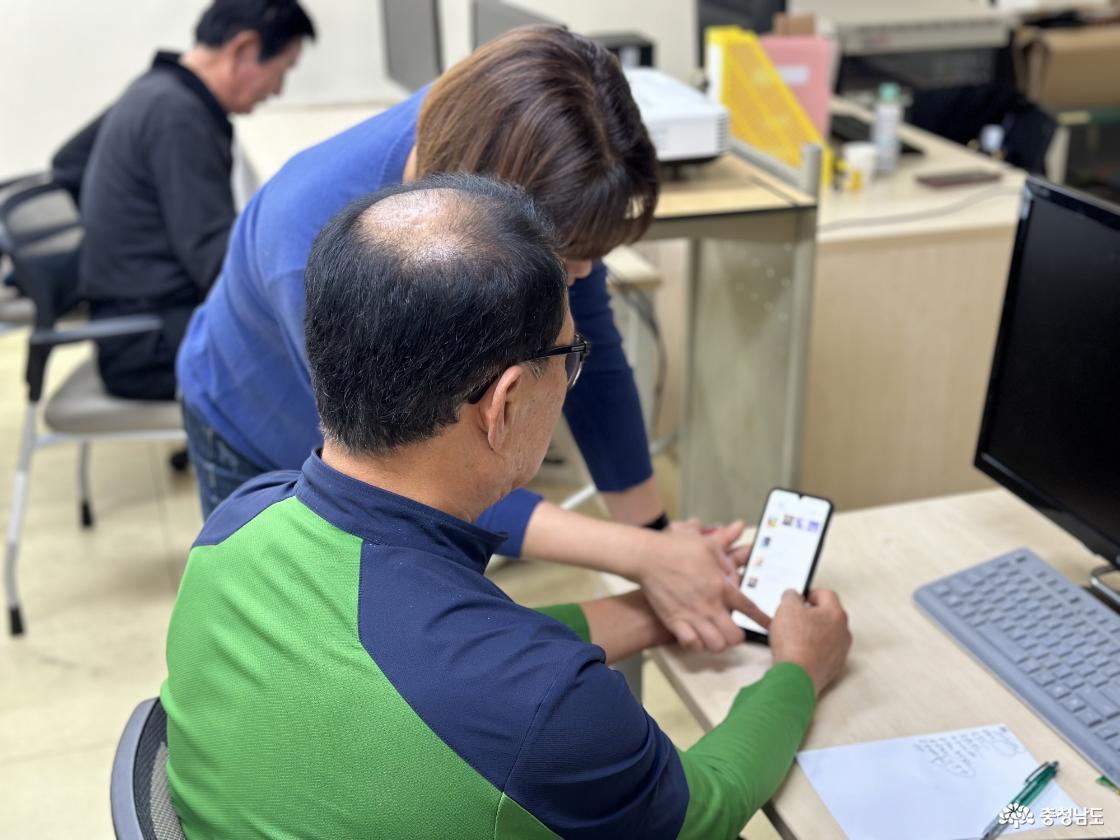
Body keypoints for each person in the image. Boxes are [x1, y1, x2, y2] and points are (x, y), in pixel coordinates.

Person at [162, 174, 853, 839]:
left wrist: (652, 612)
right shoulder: (546, 711)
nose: (573, 376)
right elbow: (700, 815)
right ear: (507, 403)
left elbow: (430, 663)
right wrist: (797, 670)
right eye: (569, 354)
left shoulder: (235, 528)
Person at [177, 24, 753, 654]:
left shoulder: (503, 148)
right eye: (569, 260)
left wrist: (656, 535)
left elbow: (592, 356)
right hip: (252, 414)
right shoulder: (312, 240)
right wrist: (639, 554)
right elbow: (410, 473)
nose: (582, 276)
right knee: (307, 645)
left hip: (384, 440)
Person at [72, 0, 314, 400]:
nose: (278, 89)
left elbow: (66, 163)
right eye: (282, 70)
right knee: (327, 371)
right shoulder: (178, 115)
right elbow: (213, 260)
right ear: (243, 49)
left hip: (139, 325)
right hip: (149, 346)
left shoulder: (154, 90)